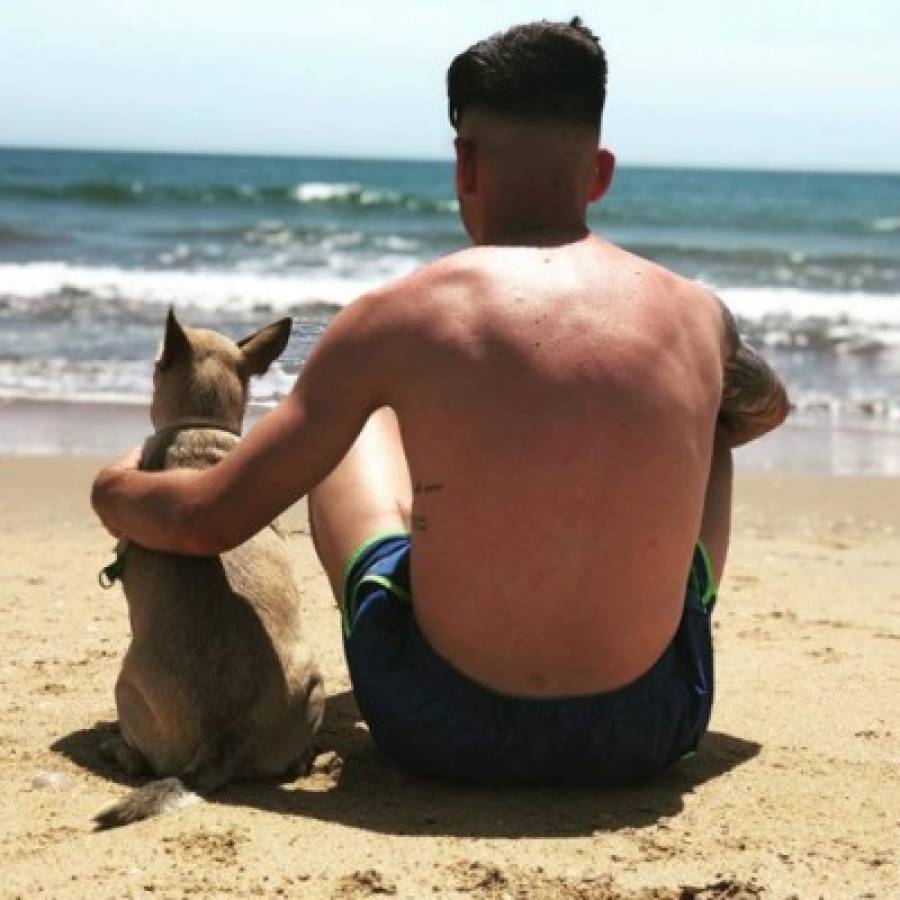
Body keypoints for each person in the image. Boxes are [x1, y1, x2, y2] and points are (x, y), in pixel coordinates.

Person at [92, 18, 789, 784]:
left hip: (441, 724)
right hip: (649, 725)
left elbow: (208, 520)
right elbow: (768, 410)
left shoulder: (398, 318)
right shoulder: (697, 314)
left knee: (361, 418)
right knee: (712, 424)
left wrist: (114, 487)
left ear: (465, 164)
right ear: (599, 173)